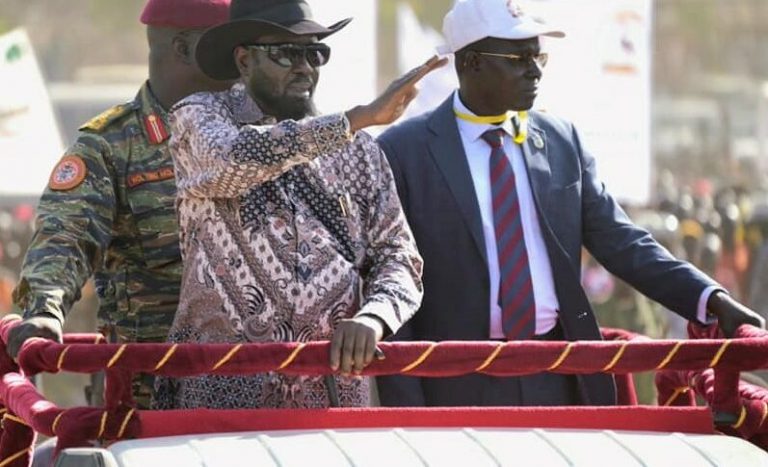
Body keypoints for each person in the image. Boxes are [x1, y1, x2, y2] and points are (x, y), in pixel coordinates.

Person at [376, 0, 765, 407]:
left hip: (559, 375)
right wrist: (406, 409)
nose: (535, 70)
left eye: (539, 56)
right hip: (453, 385)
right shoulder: (402, 152)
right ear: (471, 62)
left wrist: (711, 300)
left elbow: (623, 243)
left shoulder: (562, 141)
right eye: (519, 58)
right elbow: (388, 278)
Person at [151, 0, 439, 410]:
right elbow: (233, 159)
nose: (305, 67)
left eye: (315, 53)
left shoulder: (358, 149)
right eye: (286, 53)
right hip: (221, 392)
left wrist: (374, 317)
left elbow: (399, 257)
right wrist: (352, 121)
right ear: (244, 60)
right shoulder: (200, 117)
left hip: (332, 395)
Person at [5, 0, 241, 410]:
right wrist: (44, 309)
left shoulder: (256, 136)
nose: (243, 62)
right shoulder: (111, 146)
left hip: (259, 387)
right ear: (185, 49)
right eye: (231, 48)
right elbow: (66, 236)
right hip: (150, 399)